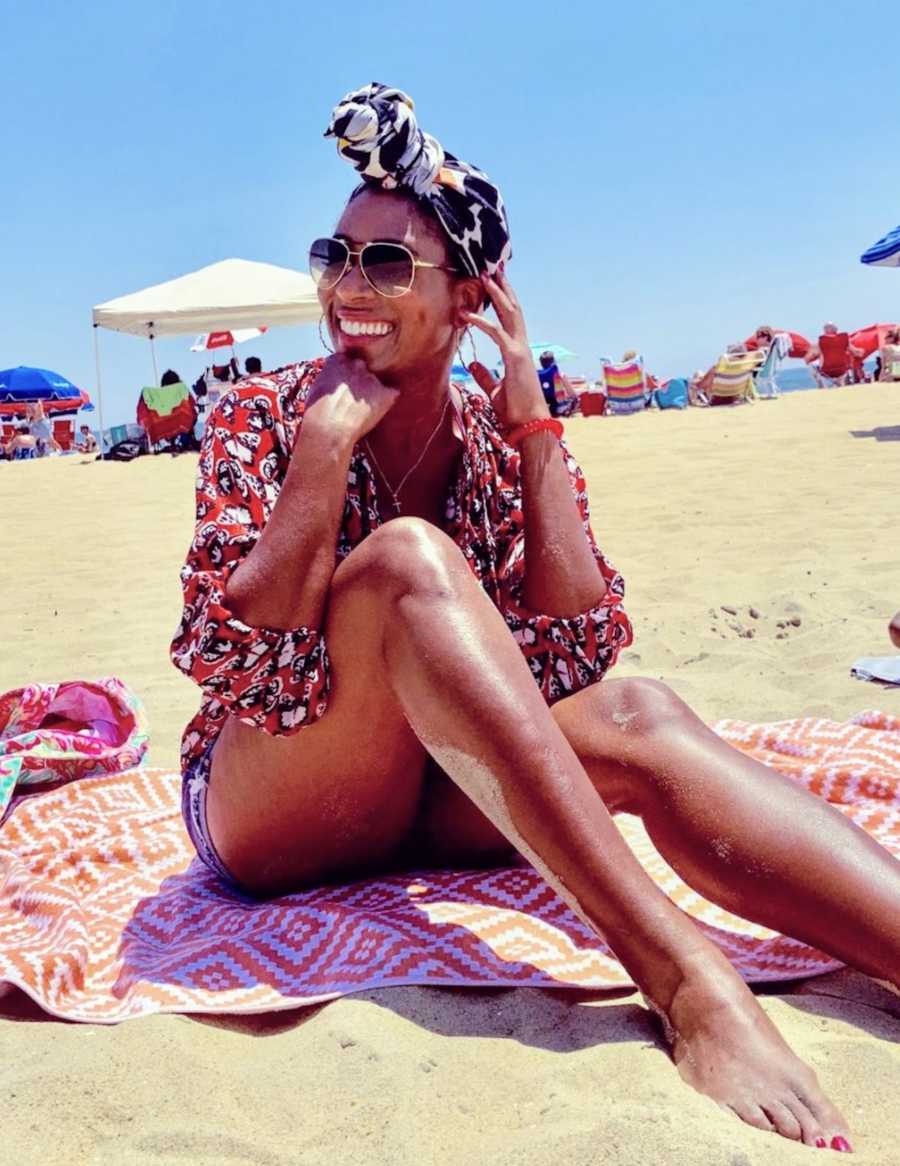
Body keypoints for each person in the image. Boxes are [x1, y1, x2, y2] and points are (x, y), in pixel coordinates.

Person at [170, 84, 900, 1153]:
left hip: (439, 787)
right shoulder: (263, 413)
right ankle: (686, 980)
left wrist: (533, 426)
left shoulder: (490, 427)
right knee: (410, 562)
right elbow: (235, 665)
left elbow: (582, 653)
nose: (349, 288)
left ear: (468, 297)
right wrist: (321, 458)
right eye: (337, 255)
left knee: (643, 713)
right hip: (278, 805)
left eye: (387, 264)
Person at [536, 350, 578, 417]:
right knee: (576, 399)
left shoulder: (537, 375)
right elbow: (572, 393)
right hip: (560, 407)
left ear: (541, 363)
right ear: (553, 361)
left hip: (544, 408)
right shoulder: (559, 374)